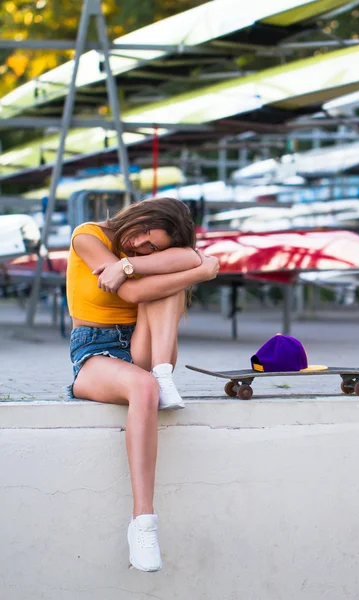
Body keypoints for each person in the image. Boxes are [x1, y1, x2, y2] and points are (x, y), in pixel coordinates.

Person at [66, 196, 219, 572]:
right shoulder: (88, 237)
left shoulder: (137, 257)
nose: (141, 245)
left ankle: (163, 372)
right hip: (94, 352)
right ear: (143, 215)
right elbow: (131, 292)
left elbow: (186, 257)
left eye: (153, 248)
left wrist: (131, 265)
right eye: (147, 236)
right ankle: (143, 523)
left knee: (167, 286)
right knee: (144, 387)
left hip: (144, 344)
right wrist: (199, 272)